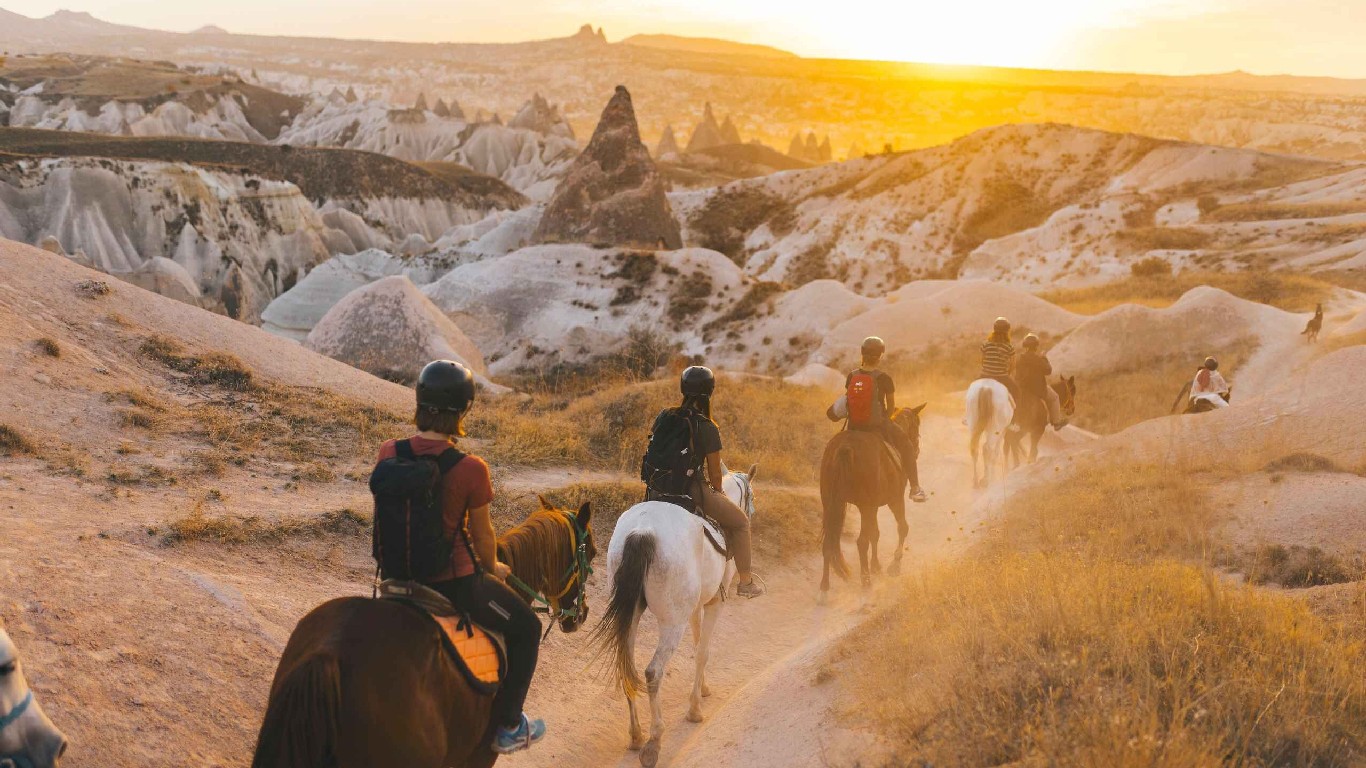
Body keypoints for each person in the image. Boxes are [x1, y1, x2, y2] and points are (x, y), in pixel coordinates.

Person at [374, 360, 546, 755]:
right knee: (527, 629)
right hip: (455, 585)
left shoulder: (389, 452)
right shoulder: (471, 469)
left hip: (395, 580)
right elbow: (483, 538)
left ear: (420, 403)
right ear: (463, 411)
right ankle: (508, 726)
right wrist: (494, 568)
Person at [648, 366, 765, 598]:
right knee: (741, 523)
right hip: (689, 489)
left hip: (656, 487)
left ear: (683, 389)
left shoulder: (664, 416)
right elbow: (715, 476)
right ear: (710, 391)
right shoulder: (707, 426)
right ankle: (745, 582)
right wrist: (719, 493)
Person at [843, 336, 928, 502]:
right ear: (880, 356)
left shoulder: (851, 376)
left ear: (862, 354)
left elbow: (850, 400)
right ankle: (915, 488)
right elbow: (890, 407)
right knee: (907, 446)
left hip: (853, 426)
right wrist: (885, 419)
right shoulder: (884, 378)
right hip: (877, 426)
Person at [1016, 334, 1068, 430]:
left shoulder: (1020, 358)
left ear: (1025, 346)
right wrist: (1044, 358)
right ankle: (1056, 423)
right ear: (1036, 346)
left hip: (1022, 388)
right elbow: (1048, 370)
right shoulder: (1039, 359)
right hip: (1038, 389)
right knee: (1055, 397)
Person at [979, 317, 1021, 404]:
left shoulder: (986, 344)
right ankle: (1015, 411)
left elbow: (981, 360)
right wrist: (1008, 372)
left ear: (994, 329)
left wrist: (987, 368)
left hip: (984, 375)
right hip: (1001, 376)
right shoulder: (1009, 347)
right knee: (1016, 391)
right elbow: (1013, 364)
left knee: (971, 390)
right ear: (1007, 331)